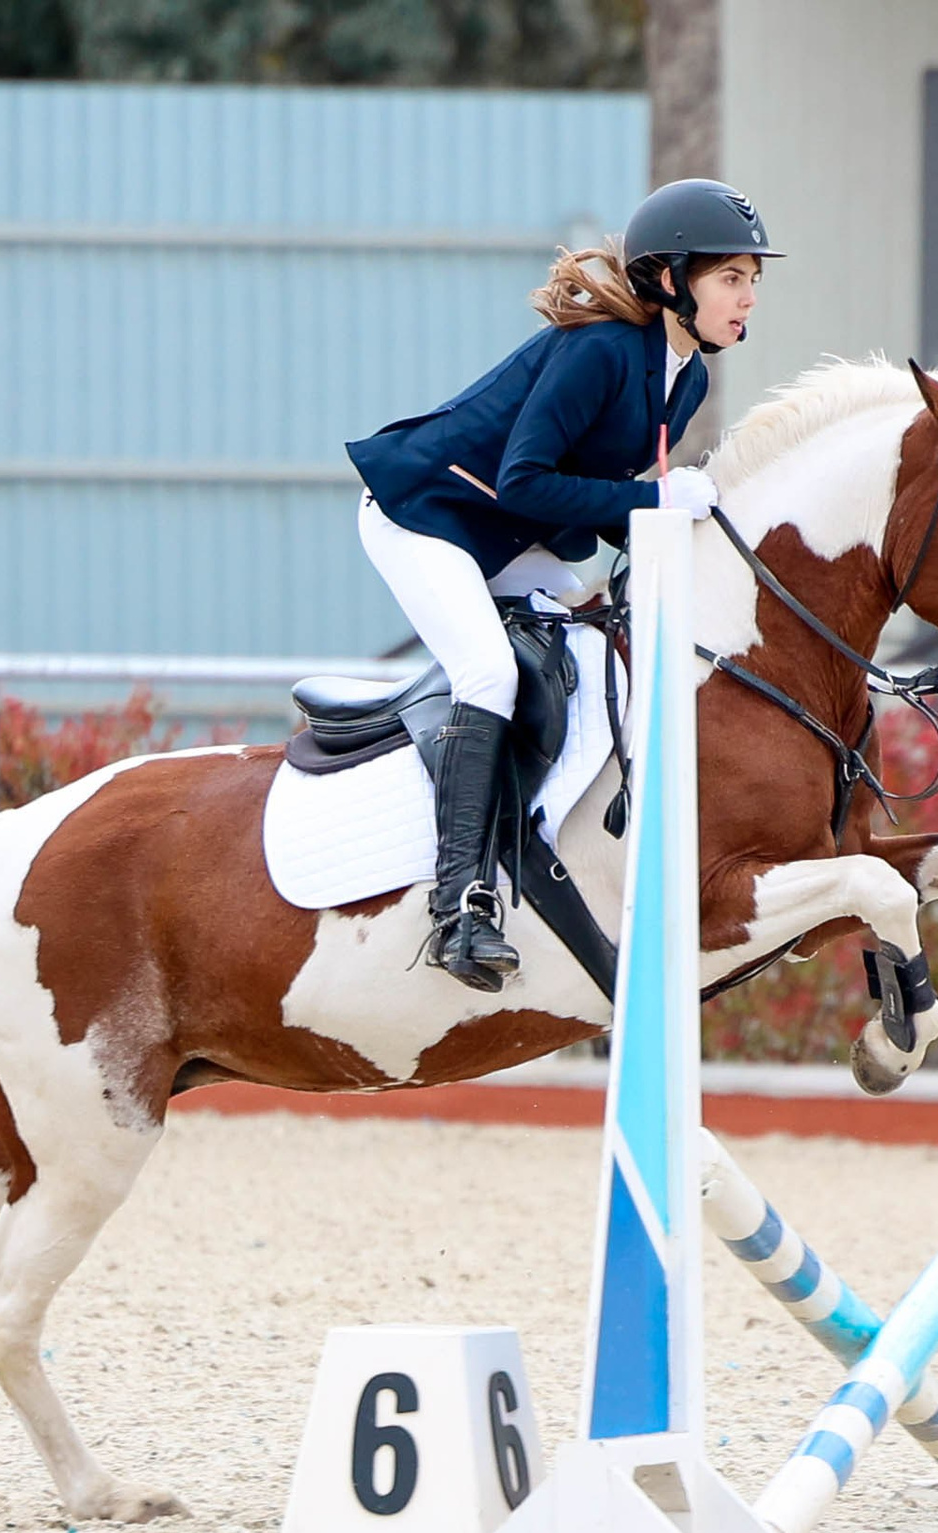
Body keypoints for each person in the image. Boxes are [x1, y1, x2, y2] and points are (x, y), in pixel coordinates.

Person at [345, 179, 778, 992]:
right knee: (489, 672)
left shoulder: (685, 378)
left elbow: (601, 504)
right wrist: (655, 498)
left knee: (594, 634)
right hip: (425, 513)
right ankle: (458, 905)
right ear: (671, 280)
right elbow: (525, 481)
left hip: (509, 532)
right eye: (731, 278)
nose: (748, 297)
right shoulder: (602, 350)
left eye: (754, 279)